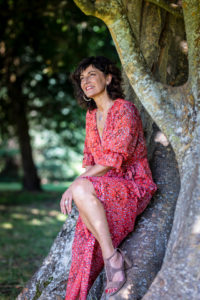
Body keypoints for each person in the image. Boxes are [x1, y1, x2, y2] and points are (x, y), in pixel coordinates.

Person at [60, 56, 157, 300]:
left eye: (92, 74)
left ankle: (112, 259)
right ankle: (111, 256)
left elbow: (110, 161)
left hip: (133, 185)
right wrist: (78, 186)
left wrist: (73, 186)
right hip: (103, 186)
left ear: (109, 78)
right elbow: (92, 162)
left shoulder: (124, 109)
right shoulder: (91, 117)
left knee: (81, 190)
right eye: (82, 78)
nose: (86, 81)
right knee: (84, 242)